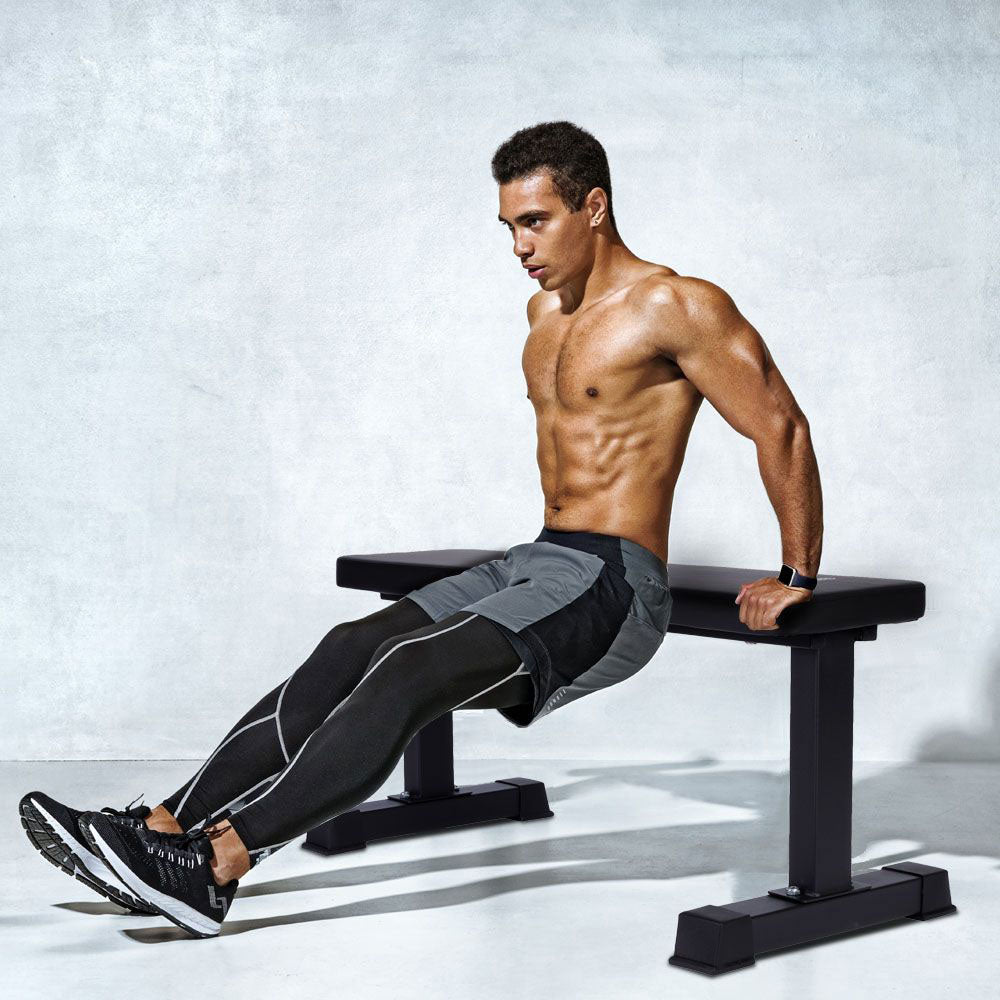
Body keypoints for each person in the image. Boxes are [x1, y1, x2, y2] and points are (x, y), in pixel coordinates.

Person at [20, 120, 823, 938]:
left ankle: (215, 866)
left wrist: (795, 575)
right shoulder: (544, 314)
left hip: (613, 583)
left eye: (535, 221)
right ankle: (160, 832)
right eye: (508, 226)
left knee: (408, 671)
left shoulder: (675, 304)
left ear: (594, 207)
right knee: (348, 647)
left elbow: (780, 426)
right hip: (539, 559)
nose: (519, 246)